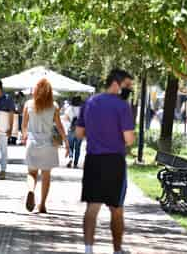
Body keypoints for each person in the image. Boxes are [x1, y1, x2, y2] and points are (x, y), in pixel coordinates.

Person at [76, 68, 135, 254]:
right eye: (127, 85)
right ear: (116, 84)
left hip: (93, 159)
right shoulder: (122, 106)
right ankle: (117, 250)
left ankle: (88, 249)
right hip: (114, 161)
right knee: (116, 208)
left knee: (92, 208)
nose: (129, 90)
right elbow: (129, 139)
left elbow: (78, 133)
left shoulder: (90, 102)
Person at [22, 79, 69, 213]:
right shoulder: (54, 106)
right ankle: (42, 205)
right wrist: (66, 143)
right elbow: (59, 126)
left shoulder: (28, 104)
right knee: (46, 175)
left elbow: (24, 125)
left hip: (32, 142)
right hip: (49, 144)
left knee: (31, 173)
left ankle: (31, 190)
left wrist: (25, 137)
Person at [65, 96, 83, 168]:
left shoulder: (69, 108)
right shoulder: (82, 109)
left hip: (71, 129)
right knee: (78, 147)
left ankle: (70, 158)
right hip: (79, 130)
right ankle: (75, 164)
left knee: (70, 146)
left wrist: (70, 121)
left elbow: (65, 118)